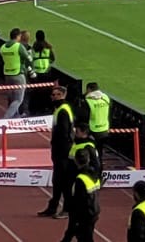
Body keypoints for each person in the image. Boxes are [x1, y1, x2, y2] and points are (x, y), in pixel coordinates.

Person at [41, 84, 78, 218]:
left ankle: (66, 209)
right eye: (53, 95)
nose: (53, 97)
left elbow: (64, 132)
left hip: (63, 151)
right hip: (60, 150)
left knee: (64, 181)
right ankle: (53, 206)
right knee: (57, 181)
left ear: (63, 95)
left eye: (56, 95)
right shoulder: (61, 109)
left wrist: (59, 146)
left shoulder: (63, 111)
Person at [61, 166, 103, 242]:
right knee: (86, 235)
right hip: (94, 210)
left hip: (84, 213)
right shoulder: (95, 176)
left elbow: (78, 199)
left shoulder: (80, 179)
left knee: (82, 235)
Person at [2, 27, 34, 118]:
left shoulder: (3, 47)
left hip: (7, 74)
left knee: (12, 97)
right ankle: (6, 118)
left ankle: (16, 115)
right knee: (18, 99)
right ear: (18, 36)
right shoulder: (18, 46)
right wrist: (31, 69)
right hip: (18, 74)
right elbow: (28, 58)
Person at [85, 81, 113, 156]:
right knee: (99, 152)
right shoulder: (105, 98)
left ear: (88, 89)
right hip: (104, 129)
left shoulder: (88, 101)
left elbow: (84, 116)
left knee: (92, 153)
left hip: (93, 130)